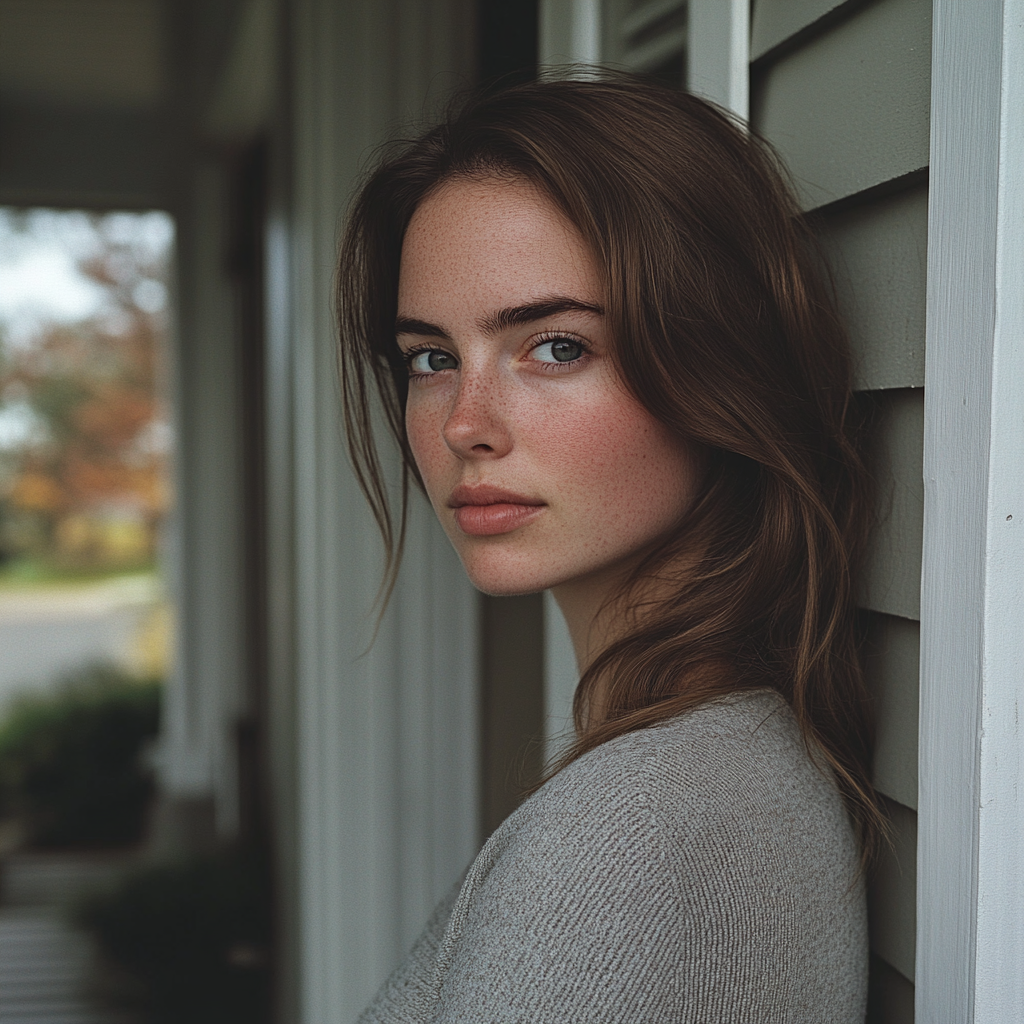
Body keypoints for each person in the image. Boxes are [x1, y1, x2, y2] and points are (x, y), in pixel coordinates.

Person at [337, 72, 880, 1023]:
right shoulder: (731, 761)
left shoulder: (634, 829)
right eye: (432, 357)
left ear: (719, 364)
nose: (467, 424)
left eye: (555, 347)